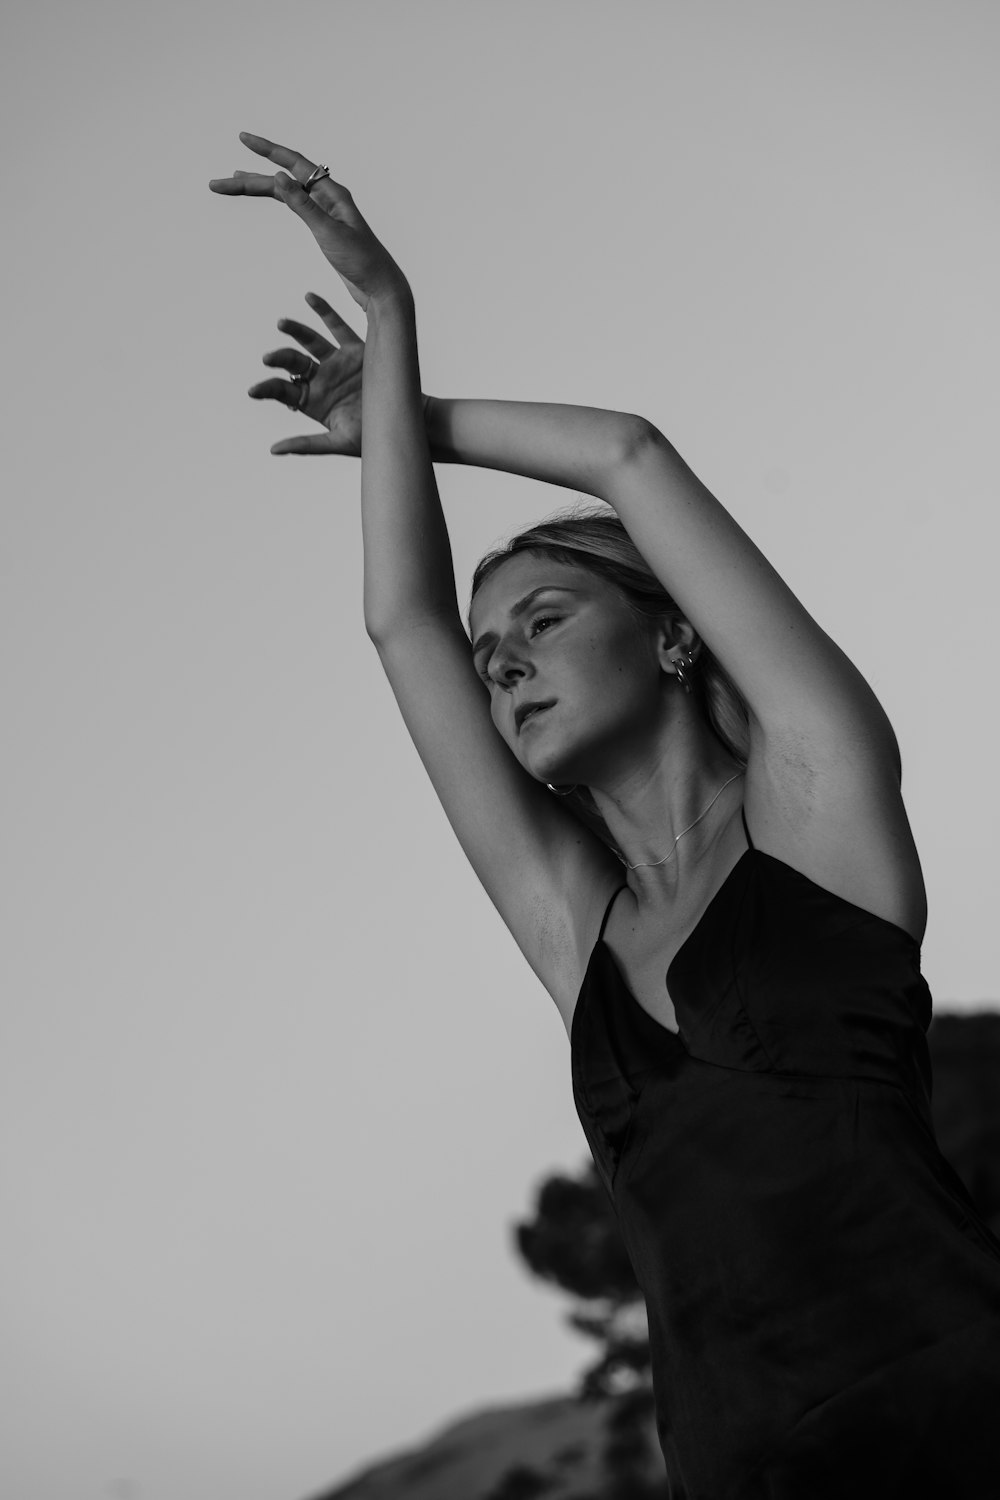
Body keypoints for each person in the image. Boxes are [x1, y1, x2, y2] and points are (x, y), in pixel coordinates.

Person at [210, 135, 1000, 1498]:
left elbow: (629, 453)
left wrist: (405, 361)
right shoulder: (572, 932)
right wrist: (378, 396)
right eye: (490, 649)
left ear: (678, 643)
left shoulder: (822, 820)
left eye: (543, 618)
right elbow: (402, 624)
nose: (499, 660)